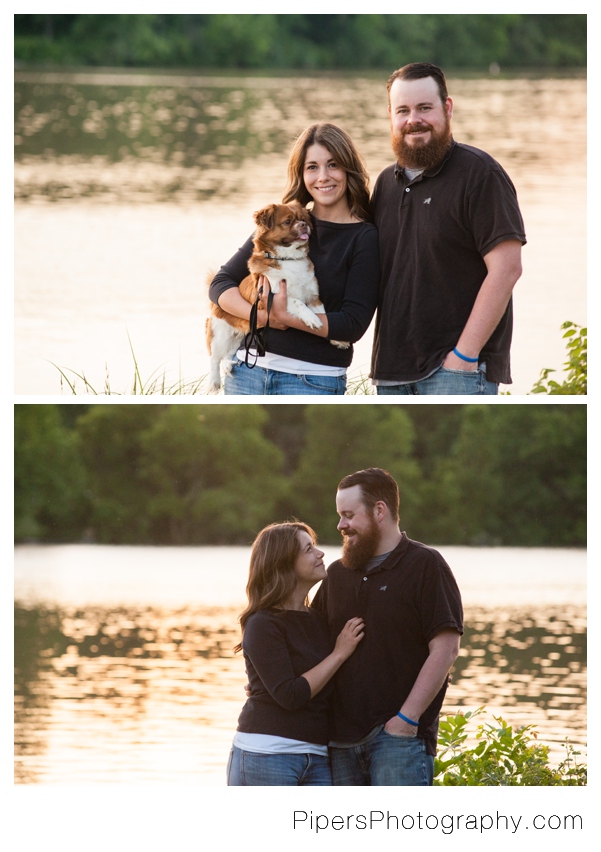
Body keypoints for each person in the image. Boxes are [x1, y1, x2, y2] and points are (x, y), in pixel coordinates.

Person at [370, 62, 527, 395]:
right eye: (403, 110)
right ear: (391, 116)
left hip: (455, 374)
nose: (414, 120)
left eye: (425, 108)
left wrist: (463, 356)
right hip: (391, 373)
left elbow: (507, 269)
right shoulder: (385, 184)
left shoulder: (480, 175)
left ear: (447, 107)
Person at [312, 468, 463, 786]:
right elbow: (311, 642)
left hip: (398, 742)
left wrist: (406, 720)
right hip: (339, 745)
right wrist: (273, 679)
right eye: (340, 516)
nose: (341, 525)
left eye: (348, 515)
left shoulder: (426, 566)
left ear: (379, 510)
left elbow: (446, 648)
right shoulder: (337, 574)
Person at [209, 123, 380, 395]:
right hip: (247, 373)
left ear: (348, 168)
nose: (323, 176)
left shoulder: (364, 237)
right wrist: (264, 318)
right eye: (312, 167)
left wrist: (287, 317)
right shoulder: (283, 224)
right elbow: (220, 285)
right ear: (301, 174)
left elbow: (352, 324)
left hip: (313, 380)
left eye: (332, 164)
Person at [227, 521, 364, 786]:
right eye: (308, 549)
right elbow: (290, 695)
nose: (320, 554)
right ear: (283, 562)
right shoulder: (262, 623)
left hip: (317, 756)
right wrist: (338, 653)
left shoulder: (318, 619)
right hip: (266, 755)